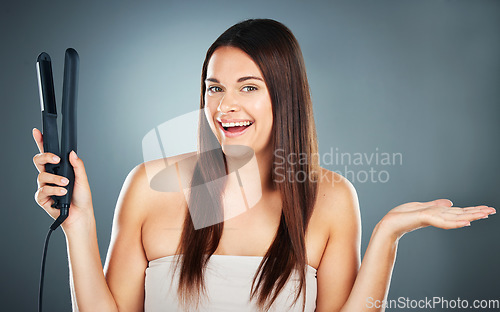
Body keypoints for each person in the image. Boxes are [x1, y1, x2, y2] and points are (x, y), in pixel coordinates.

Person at [32, 18, 495, 312]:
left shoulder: (331, 200)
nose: (225, 106)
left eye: (248, 87)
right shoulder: (150, 186)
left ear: (284, 95)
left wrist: (388, 234)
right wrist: (78, 225)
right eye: (215, 88)